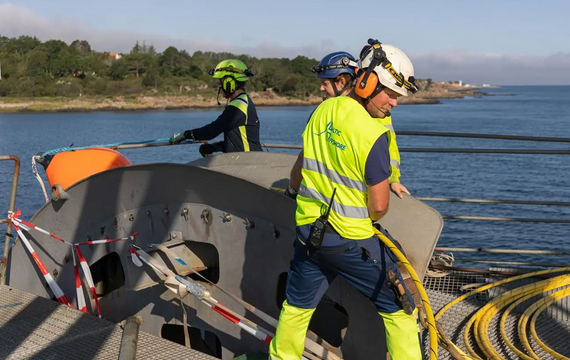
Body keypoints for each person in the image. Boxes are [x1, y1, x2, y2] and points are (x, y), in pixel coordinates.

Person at [269, 40, 422, 360]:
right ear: (367, 82)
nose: (394, 103)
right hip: (351, 242)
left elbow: (299, 170)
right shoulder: (372, 134)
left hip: (309, 233)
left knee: (296, 308)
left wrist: (297, 195)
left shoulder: (322, 110)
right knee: (401, 310)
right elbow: (379, 206)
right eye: (391, 93)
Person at [288, 50, 410, 199]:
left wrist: (393, 180)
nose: (321, 88)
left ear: (341, 82)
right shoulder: (328, 110)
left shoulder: (376, 113)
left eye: (324, 83)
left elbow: (389, 151)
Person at [168, 59, 263, 155]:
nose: (220, 88)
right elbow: (239, 140)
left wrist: (185, 135)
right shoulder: (244, 102)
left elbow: (211, 131)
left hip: (247, 162)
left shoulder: (238, 106)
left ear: (229, 83)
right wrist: (216, 147)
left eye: (220, 83)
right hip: (248, 160)